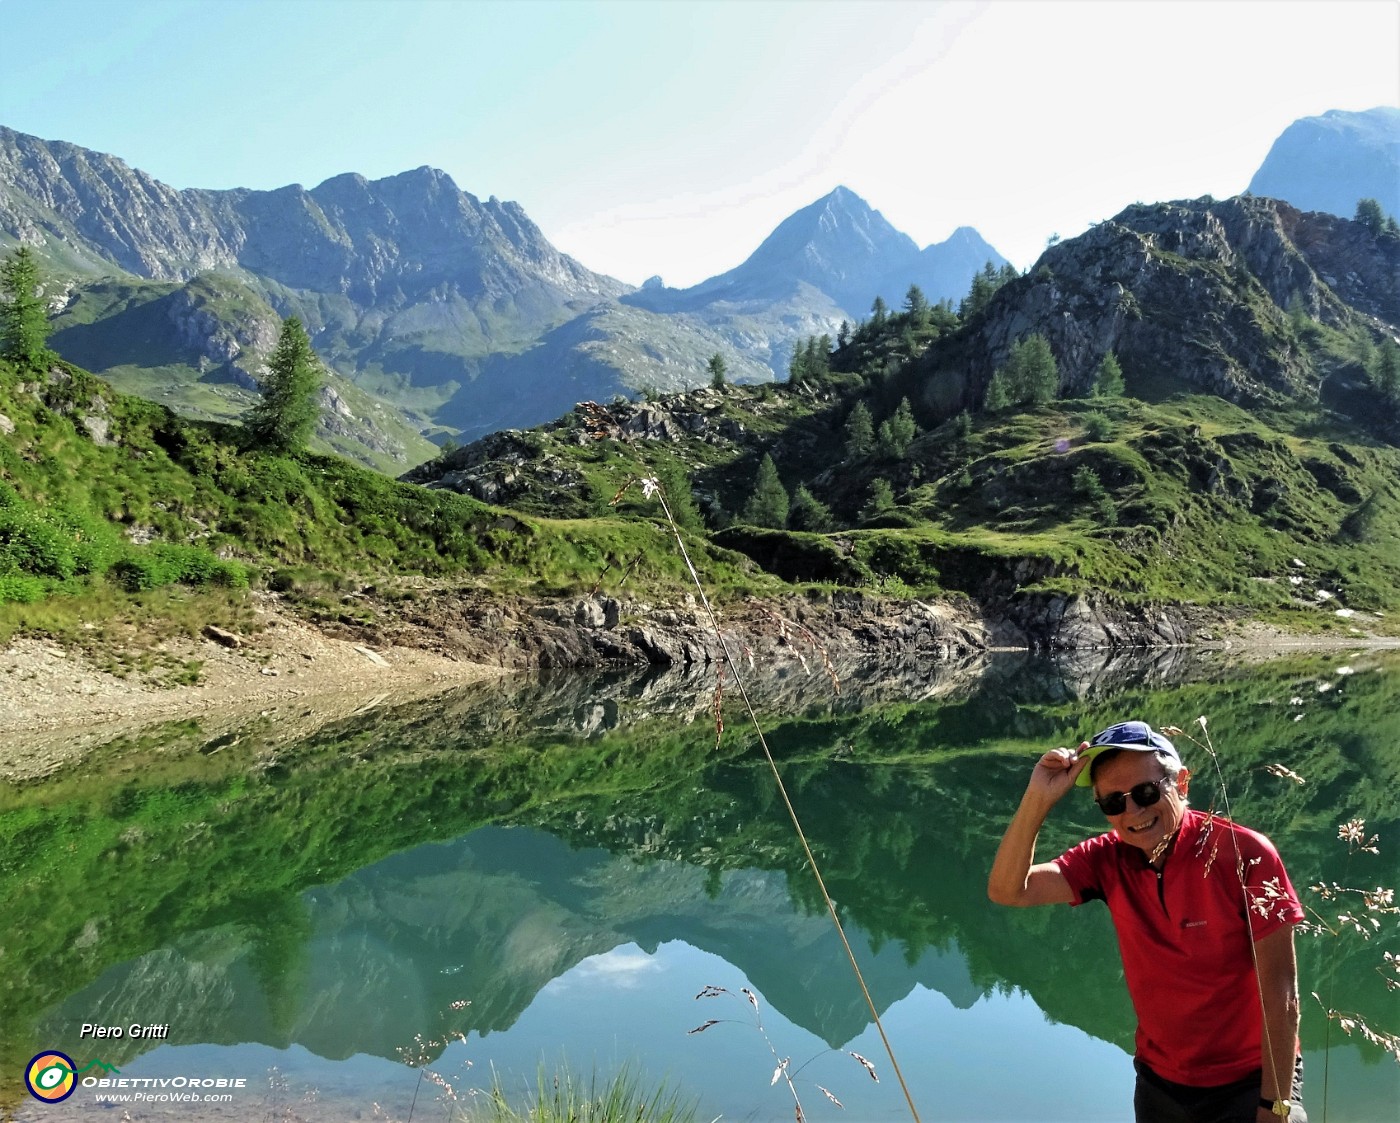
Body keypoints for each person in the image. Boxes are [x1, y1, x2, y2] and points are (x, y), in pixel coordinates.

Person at [987, 720, 1307, 1123]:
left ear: (1182, 783)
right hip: (1161, 1083)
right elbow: (1008, 890)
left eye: (1145, 792)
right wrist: (1039, 797)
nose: (1133, 811)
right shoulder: (1106, 859)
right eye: (1113, 803)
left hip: (1251, 1082)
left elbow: (1283, 995)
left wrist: (1275, 1108)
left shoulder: (1245, 854)